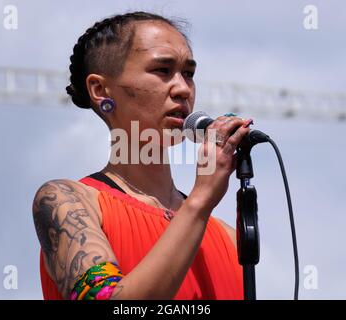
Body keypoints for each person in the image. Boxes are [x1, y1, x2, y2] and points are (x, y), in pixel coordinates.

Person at [32, 11, 253, 300]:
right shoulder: (66, 201)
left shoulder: (227, 237)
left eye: (188, 73)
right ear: (100, 90)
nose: (183, 89)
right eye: (162, 70)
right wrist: (200, 201)